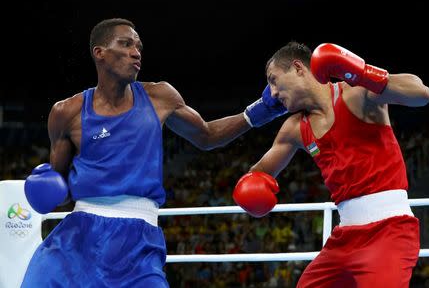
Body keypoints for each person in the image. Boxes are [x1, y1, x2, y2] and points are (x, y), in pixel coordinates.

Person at [21, 18, 287, 287]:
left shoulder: (160, 97)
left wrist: (256, 113)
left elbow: (206, 136)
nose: (135, 52)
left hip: (139, 240)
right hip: (77, 238)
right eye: (125, 44)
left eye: (138, 46)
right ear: (99, 53)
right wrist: (47, 190)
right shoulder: (66, 113)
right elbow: (61, 191)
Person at [233, 41, 429, 287]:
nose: (272, 93)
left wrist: (362, 73)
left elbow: (421, 94)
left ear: (298, 68)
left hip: (388, 233)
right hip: (343, 240)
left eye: (274, 80)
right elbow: (259, 174)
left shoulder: (356, 93)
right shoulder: (295, 128)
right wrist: (253, 189)